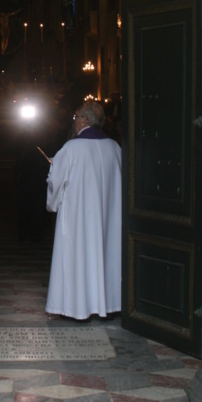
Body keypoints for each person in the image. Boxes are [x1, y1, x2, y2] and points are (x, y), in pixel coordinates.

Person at [45, 100, 121, 320]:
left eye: (76, 117)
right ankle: (107, 303)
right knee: (105, 255)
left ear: (85, 120)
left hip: (77, 221)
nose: (75, 122)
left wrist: (53, 200)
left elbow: (55, 184)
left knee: (77, 258)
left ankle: (76, 307)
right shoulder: (115, 148)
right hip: (107, 221)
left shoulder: (71, 149)